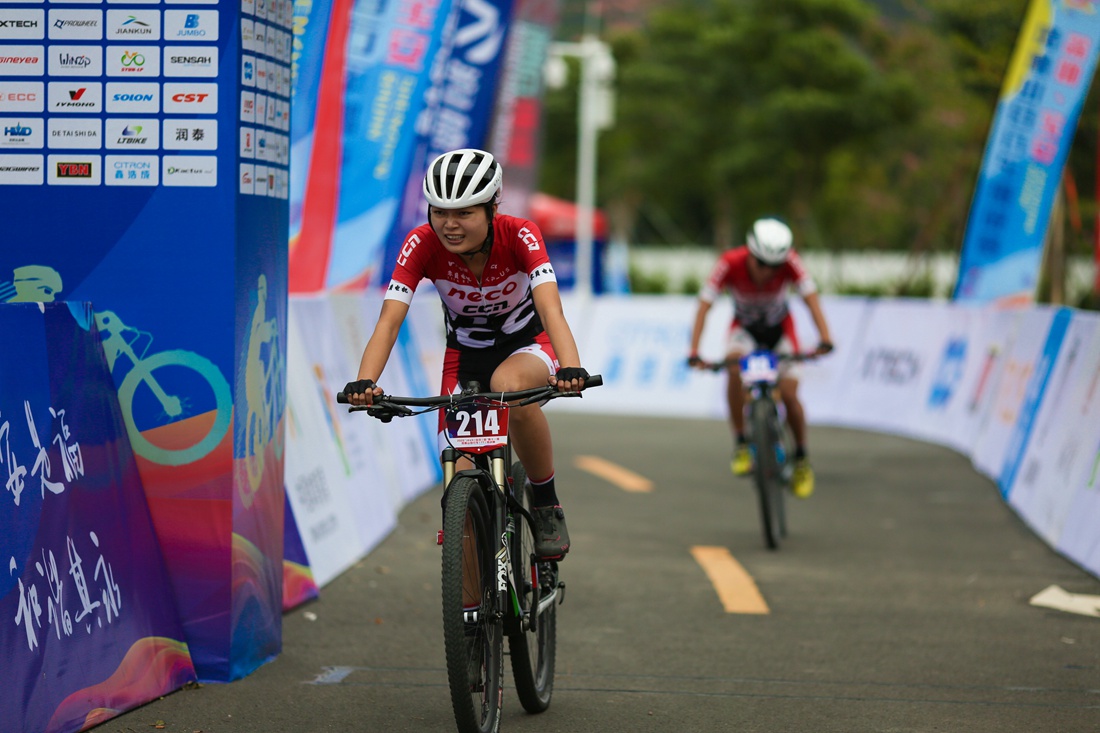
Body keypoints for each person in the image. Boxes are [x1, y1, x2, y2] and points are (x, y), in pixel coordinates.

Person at [343, 148, 589, 559]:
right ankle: (473, 608)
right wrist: (366, 380)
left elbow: (550, 308)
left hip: (527, 344)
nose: (449, 225)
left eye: (464, 213)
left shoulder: (521, 233)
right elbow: (389, 320)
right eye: (439, 212)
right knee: (457, 478)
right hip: (466, 355)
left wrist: (571, 367)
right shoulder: (421, 243)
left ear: (492, 208)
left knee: (507, 387)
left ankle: (545, 502)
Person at [687, 217, 833, 498]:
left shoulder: (791, 261)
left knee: (790, 395)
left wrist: (825, 337)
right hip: (745, 331)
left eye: (775, 267)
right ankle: (742, 443)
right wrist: (694, 351)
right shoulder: (730, 262)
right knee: (731, 365)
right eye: (762, 264)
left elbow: (811, 298)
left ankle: (802, 458)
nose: (767, 272)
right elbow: (704, 306)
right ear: (750, 254)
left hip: (780, 331)